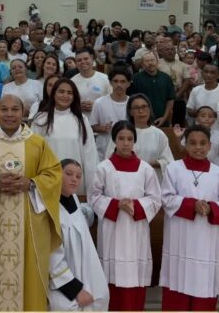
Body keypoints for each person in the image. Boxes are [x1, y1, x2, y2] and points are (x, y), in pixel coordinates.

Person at [0, 94, 62, 311]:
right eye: (4, 109)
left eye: (14, 110)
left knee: (28, 276)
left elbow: (54, 174)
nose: (9, 114)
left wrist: (31, 183)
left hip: (28, 225)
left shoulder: (36, 143)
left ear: (23, 113)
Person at [160, 125, 219, 311]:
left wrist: (211, 208)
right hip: (180, 238)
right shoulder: (174, 168)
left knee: (203, 287)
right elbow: (166, 198)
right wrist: (191, 205)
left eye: (203, 143)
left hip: (207, 242)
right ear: (186, 144)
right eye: (193, 143)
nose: (198, 147)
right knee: (177, 287)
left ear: (210, 145)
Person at [88, 121, 162, 311]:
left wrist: (136, 206)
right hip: (113, 230)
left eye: (129, 139)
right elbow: (94, 196)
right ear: (114, 140)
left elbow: (155, 198)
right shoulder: (104, 167)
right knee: (112, 280)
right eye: (121, 138)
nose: (126, 143)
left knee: (135, 280)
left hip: (136, 231)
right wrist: (116, 204)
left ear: (134, 141)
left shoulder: (145, 169)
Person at [48, 159, 109, 311]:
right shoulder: (50, 206)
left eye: (78, 176)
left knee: (101, 296)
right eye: (69, 174)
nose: (74, 179)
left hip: (85, 275)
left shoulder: (74, 199)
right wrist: (75, 289)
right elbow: (52, 254)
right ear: (57, 174)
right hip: (60, 282)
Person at [31, 78, 98, 194]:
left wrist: (92, 190)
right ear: (54, 94)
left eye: (69, 93)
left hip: (75, 183)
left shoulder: (81, 120)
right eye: (61, 92)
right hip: (48, 181)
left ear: (74, 97)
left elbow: (90, 156)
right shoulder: (40, 120)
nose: (65, 96)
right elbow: (33, 154)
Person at [89, 67, 131, 160]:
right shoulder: (99, 102)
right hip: (104, 150)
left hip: (128, 149)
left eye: (123, 81)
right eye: (115, 81)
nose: (119, 84)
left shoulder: (133, 103)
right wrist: (103, 128)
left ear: (128, 83)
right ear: (110, 82)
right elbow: (92, 126)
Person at [129, 54, 175, 127]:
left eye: (152, 60)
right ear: (142, 64)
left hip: (162, 121)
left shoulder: (166, 78)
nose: (150, 63)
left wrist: (164, 118)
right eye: (147, 61)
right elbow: (132, 101)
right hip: (142, 121)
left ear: (157, 62)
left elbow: (170, 100)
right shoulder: (135, 79)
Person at [71, 49, 111, 115]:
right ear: (76, 63)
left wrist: (96, 105)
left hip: (101, 120)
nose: (83, 62)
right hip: (80, 120)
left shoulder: (105, 78)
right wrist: (78, 106)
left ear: (92, 60)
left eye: (86, 58)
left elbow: (112, 100)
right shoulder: (72, 82)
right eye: (79, 60)